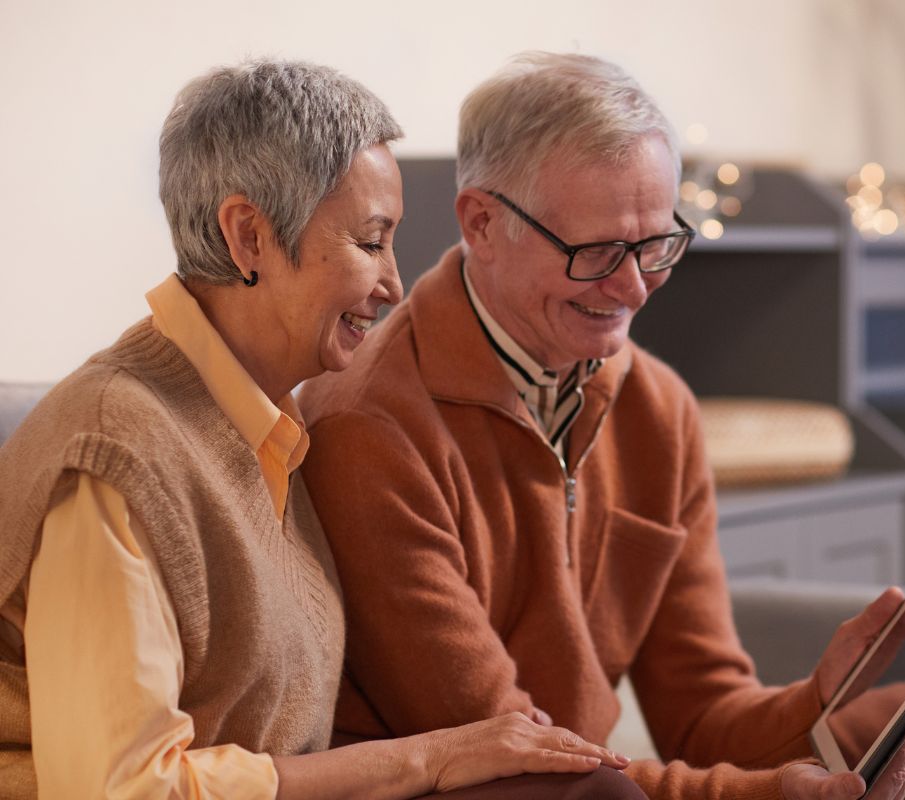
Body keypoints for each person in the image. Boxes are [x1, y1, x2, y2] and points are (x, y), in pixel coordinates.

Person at [298, 52, 905, 800]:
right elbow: (515, 749)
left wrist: (822, 702)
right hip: (478, 786)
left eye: (657, 244)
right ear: (482, 223)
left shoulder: (659, 411)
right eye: (595, 252)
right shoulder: (370, 428)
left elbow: (701, 713)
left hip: (594, 781)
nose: (632, 289)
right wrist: (764, 793)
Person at [0, 59, 642, 799]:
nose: (394, 284)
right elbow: (122, 791)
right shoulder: (115, 453)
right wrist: (422, 760)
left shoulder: (269, 427)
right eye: (371, 242)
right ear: (249, 237)